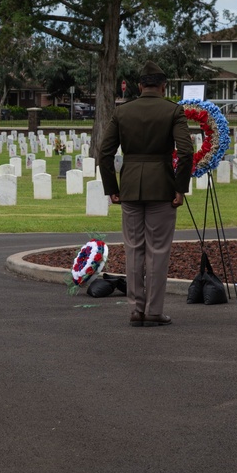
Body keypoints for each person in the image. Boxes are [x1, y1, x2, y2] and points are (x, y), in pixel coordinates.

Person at [98, 61, 193, 327]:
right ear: (164, 86)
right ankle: (153, 310)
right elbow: (185, 152)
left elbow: (105, 153)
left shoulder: (123, 111)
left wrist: (112, 188)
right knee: (158, 250)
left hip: (129, 188)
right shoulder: (173, 110)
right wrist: (179, 187)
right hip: (162, 187)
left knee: (134, 250)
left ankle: (135, 310)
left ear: (140, 86)